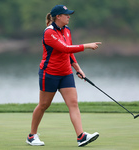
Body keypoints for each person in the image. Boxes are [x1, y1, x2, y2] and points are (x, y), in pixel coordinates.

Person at [26, 5, 102, 147]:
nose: (69, 16)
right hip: (49, 74)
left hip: (66, 73)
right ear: (58, 17)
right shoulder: (49, 32)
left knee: (73, 103)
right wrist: (87, 45)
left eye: (69, 14)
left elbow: (69, 52)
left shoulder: (67, 30)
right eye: (66, 14)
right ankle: (31, 136)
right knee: (43, 105)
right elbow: (64, 48)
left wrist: (77, 68)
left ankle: (81, 136)